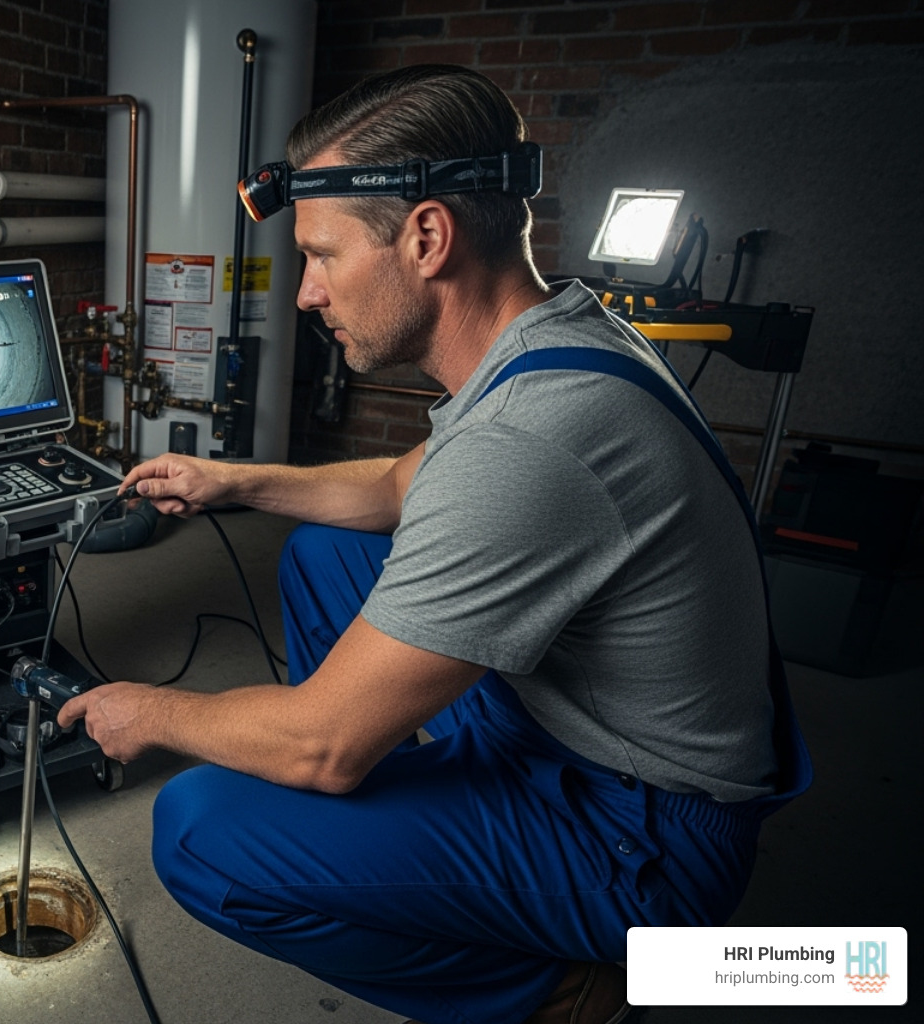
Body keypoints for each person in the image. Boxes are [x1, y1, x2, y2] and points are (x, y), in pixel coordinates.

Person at [57, 65, 810, 1024]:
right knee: (327, 557)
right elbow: (395, 487)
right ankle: (428, 812)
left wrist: (152, 711)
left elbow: (318, 750)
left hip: (645, 839)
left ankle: (567, 992)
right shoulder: (556, 336)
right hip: (573, 728)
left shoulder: (529, 441)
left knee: (203, 831)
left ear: (426, 237)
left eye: (323, 256)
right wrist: (235, 481)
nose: (305, 293)